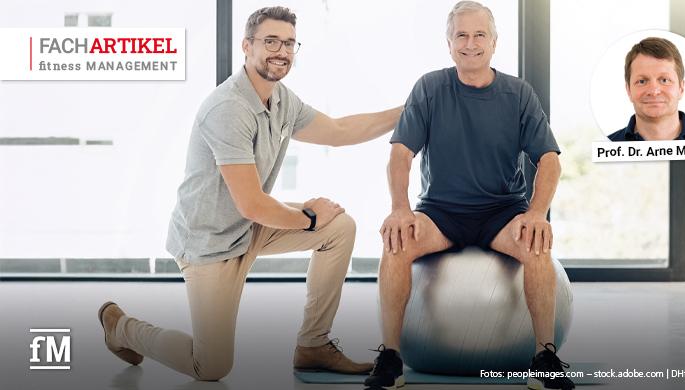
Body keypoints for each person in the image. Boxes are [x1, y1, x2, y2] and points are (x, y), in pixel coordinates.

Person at [97, 6, 402, 381]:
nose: (281, 51)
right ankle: (122, 327)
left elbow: (339, 131)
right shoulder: (228, 108)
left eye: (289, 43)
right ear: (246, 46)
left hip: (248, 225)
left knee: (339, 228)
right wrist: (307, 219)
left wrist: (407, 110)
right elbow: (252, 203)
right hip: (210, 242)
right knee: (210, 367)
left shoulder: (282, 100)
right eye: (271, 41)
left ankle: (313, 345)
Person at [363, 2, 574, 390]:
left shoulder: (518, 94)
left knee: (537, 244)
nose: (470, 43)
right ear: (449, 43)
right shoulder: (429, 88)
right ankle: (391, 357)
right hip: (441, 212)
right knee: (395, 242)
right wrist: (399, 210)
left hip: (501, 211)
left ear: (494, 43)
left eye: (479, 35)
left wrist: (537, 212)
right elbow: (400, 154)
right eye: (461, 35)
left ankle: (544, 358)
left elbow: (549, 158)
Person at [608, 37, 685, 141]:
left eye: (664, 80)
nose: (654, 92)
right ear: (628, 90)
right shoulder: (607, 148)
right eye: (642, 81)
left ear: (681, 88)